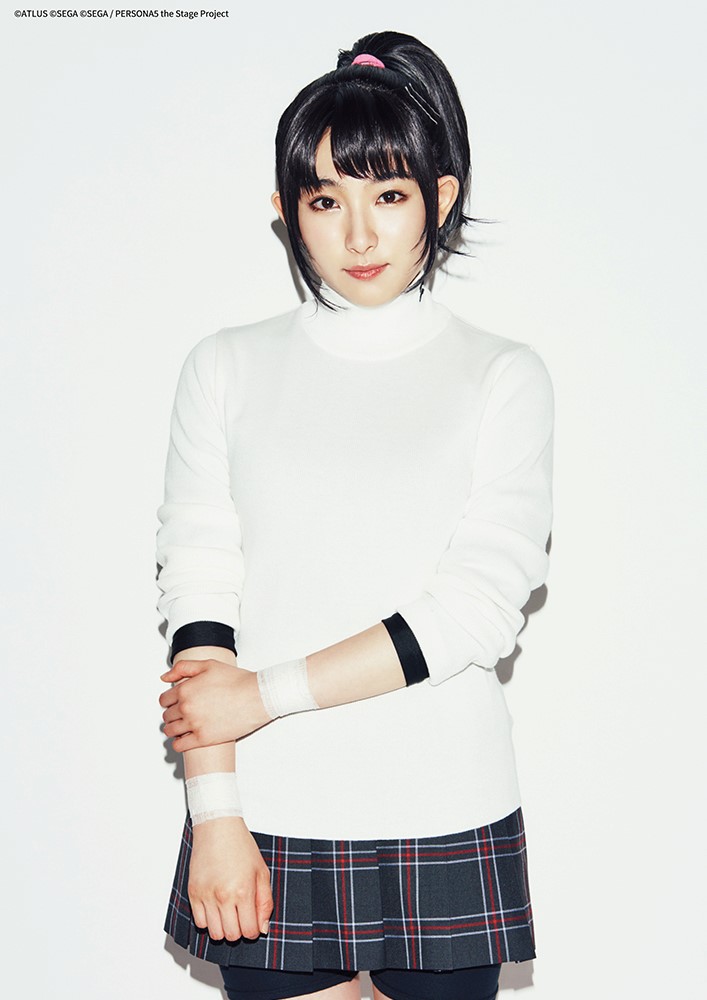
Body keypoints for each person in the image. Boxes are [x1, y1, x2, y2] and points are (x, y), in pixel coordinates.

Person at [156, 30, 553, 1000]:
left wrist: (264, 694)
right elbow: (199, 597)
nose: (360, 236)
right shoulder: (225, 367)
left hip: (446, 801)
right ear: (286, 211)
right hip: (268, 811)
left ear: (440, 198)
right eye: (326, 200)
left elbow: (475, 610)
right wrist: (215, 813)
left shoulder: (501, 376)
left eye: (389, 195)